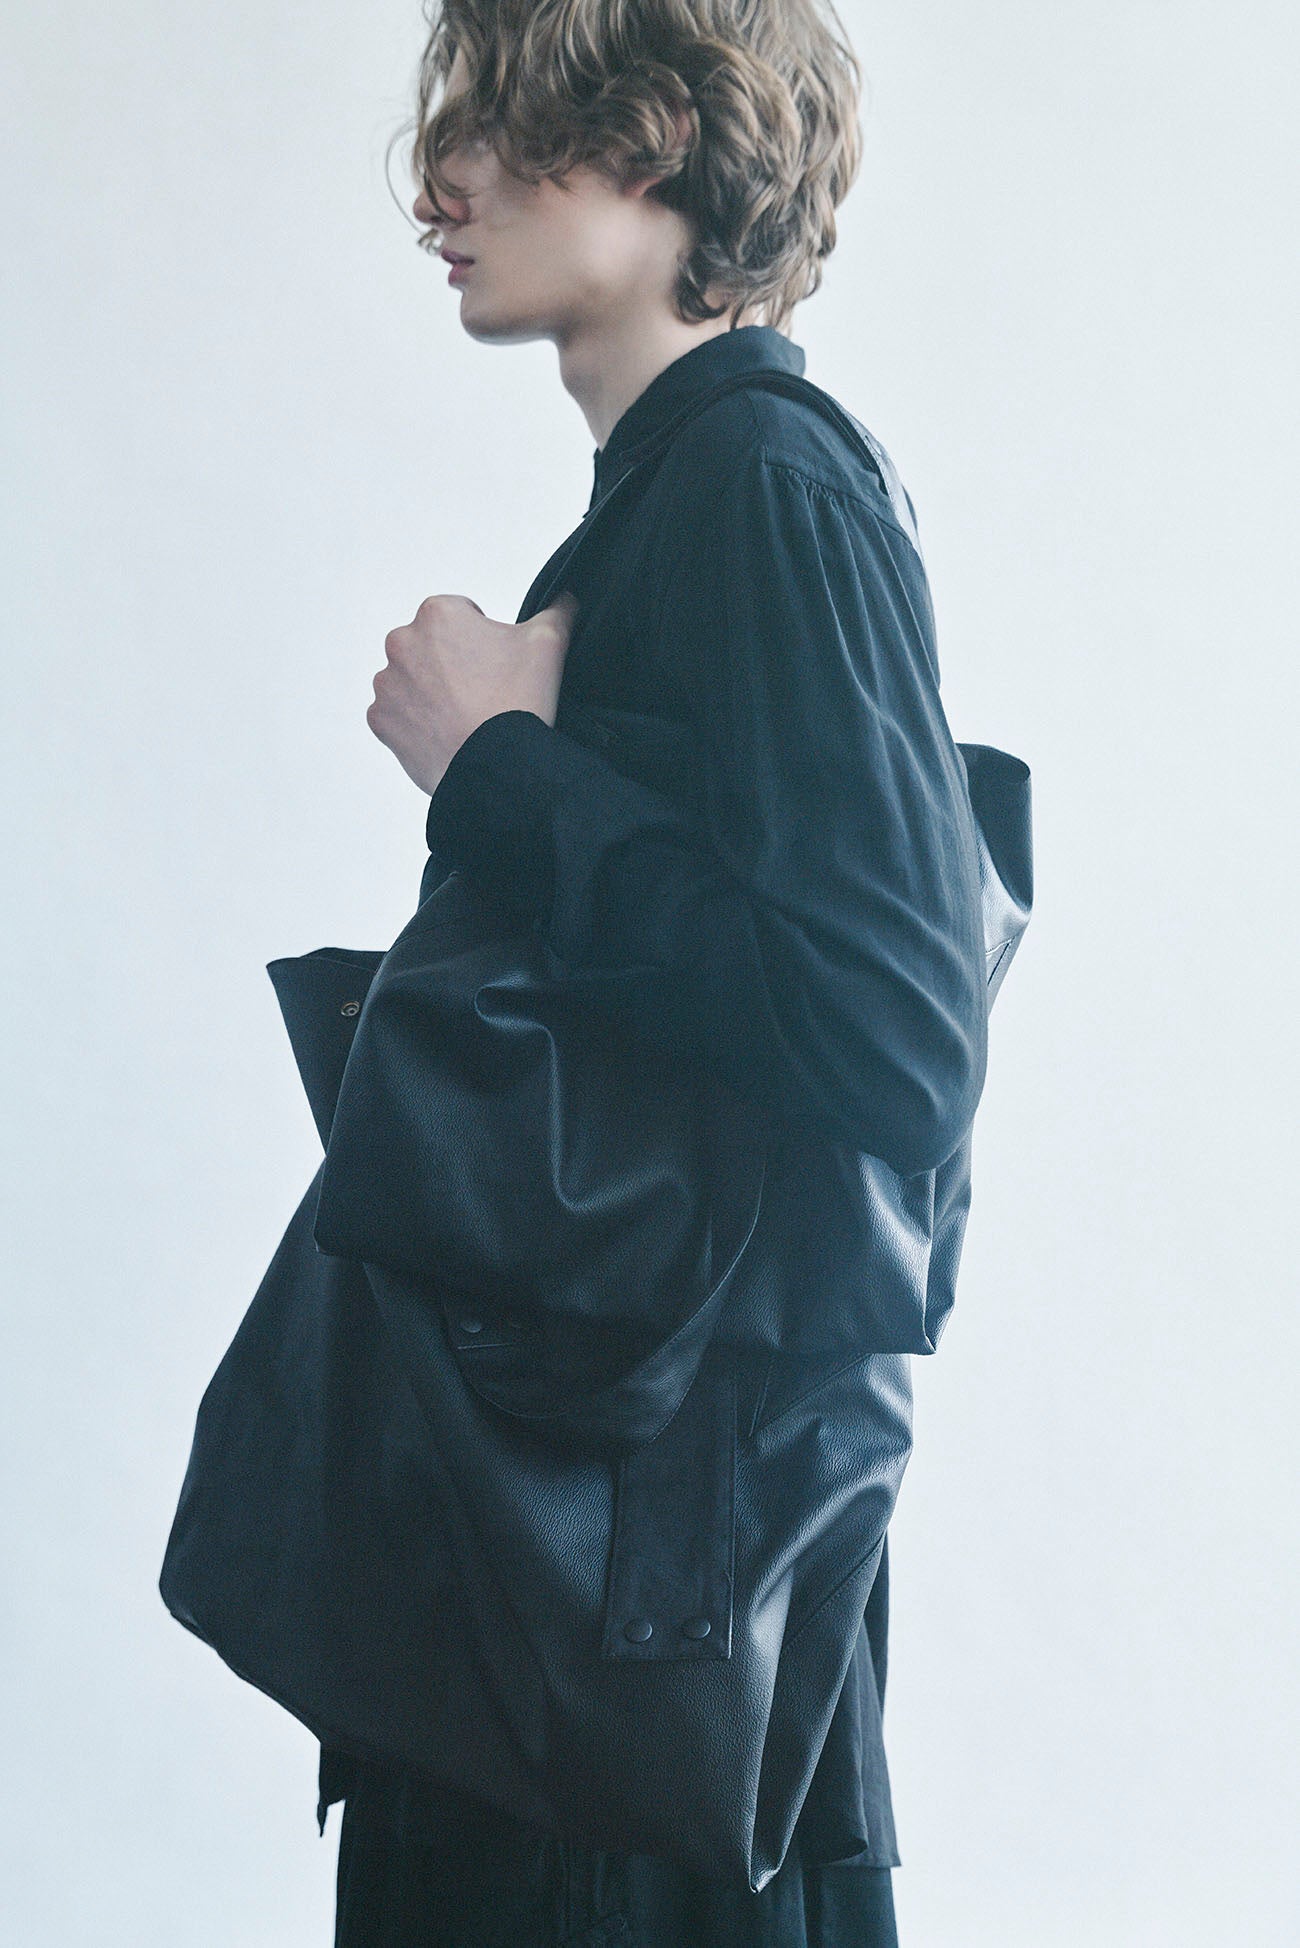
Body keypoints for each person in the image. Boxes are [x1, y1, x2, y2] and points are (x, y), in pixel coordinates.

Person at [327, 1, 989, 1941]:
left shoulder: (764, 483)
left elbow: (894, 1032)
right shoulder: (671, 501)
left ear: (660, 140)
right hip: (594, 1590)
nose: (437, 188)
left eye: (498, 127)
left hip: (646, 1615)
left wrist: (498, 768)